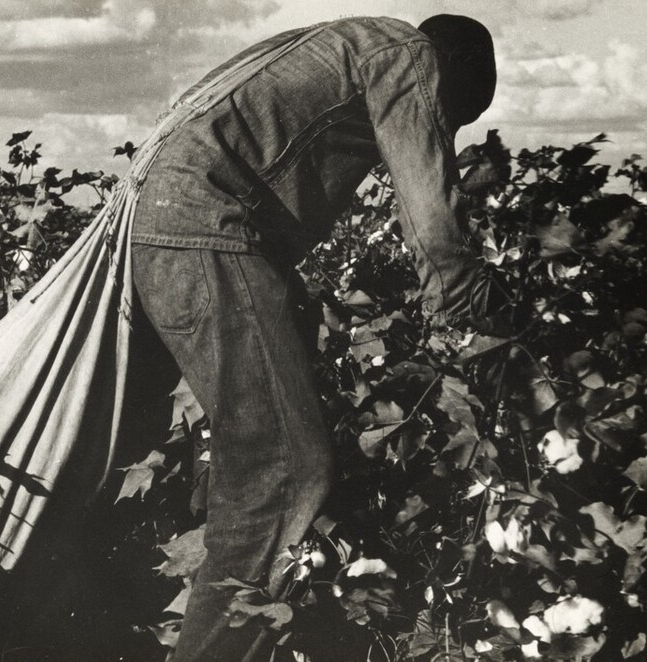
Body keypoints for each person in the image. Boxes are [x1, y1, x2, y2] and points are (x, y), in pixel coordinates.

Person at [129, 14, 497, 661]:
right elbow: (432, 224)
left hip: (170, 228)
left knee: (247, 443)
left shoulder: (354, 44)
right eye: (448, 120)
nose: (439, 134)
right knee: (281, 470)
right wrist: (470, 330)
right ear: (452, 74)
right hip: (205, 231)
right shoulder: (410, 57)